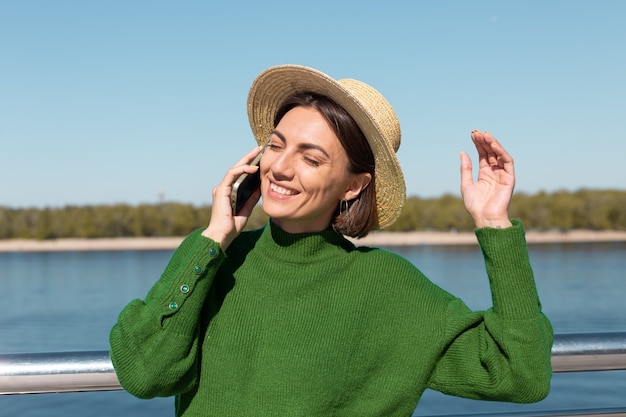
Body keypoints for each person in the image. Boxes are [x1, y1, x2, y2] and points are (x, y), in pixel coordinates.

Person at [109, 64, 553, 416]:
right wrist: (212, 238)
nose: (280, 168)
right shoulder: (216, 262)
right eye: (276, 145)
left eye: (311, 157)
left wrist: (495, 225)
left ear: (353, 186)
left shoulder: (389, 288)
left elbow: (520, 374)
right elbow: (146, 373)